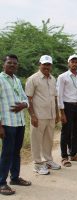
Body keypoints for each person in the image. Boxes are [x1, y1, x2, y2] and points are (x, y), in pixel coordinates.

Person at [0, 54, 31, 196]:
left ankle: (15, 178)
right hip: (7, 123)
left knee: (16, 152)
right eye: (9, 62)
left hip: (19, 122)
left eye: (15, 63)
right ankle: (1, 183)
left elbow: (25, 98)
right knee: (7, 153)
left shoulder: (17, 80)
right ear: (3, 64)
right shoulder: (0, 80)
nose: (12, 65)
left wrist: (24, 104)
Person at [25, 55, 61, 175]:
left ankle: (48, 160)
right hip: (38, 116)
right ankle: (38, 164)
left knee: (48, 140)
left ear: (51, 66)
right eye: (44, 64)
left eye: (48, 64)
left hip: (50, 115)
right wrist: (33, 116)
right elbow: (28, 99)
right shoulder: (33, 79)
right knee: (36, 140)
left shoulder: (53, 79)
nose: (46, 67)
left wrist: (56, 113)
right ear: (39, 64)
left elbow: (55, 98)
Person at [57, 54, 77, 167]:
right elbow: (59, 95)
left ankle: (73, 154)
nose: (74, 64)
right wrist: (62, 112)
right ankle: (64, 157)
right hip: (67, 106)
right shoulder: (62, 77)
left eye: (76, 62)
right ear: (68, 63)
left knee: (76, 131)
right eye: (72, 62)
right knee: (66, 132)